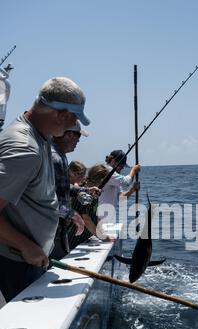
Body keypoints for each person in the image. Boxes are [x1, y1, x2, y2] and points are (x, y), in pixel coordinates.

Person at [0, 76, 90, 302]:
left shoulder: (41, 138)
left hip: (28, 259)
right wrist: (26, 246)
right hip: (17, 261)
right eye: (74, 119)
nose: (73, 126)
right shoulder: (25, 148)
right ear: (60, 114)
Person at [51, 121, 88, 260]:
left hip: (57, 230)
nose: (78, 140)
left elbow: (61, 187)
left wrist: (83, 190)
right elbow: (47, 196)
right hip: (50, 233)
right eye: (78, 135)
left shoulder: (59, 155)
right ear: (69, 135)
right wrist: (71, 214)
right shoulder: (55, 157)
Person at [96, 150, 140, 239]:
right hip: (98, 222)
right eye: (121, 165)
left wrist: (132, 190)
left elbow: (121, 197)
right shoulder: (107, 171)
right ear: (113, 161)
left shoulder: (114, 176)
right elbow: (126, 182)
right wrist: (133, 171)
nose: (122, 168)